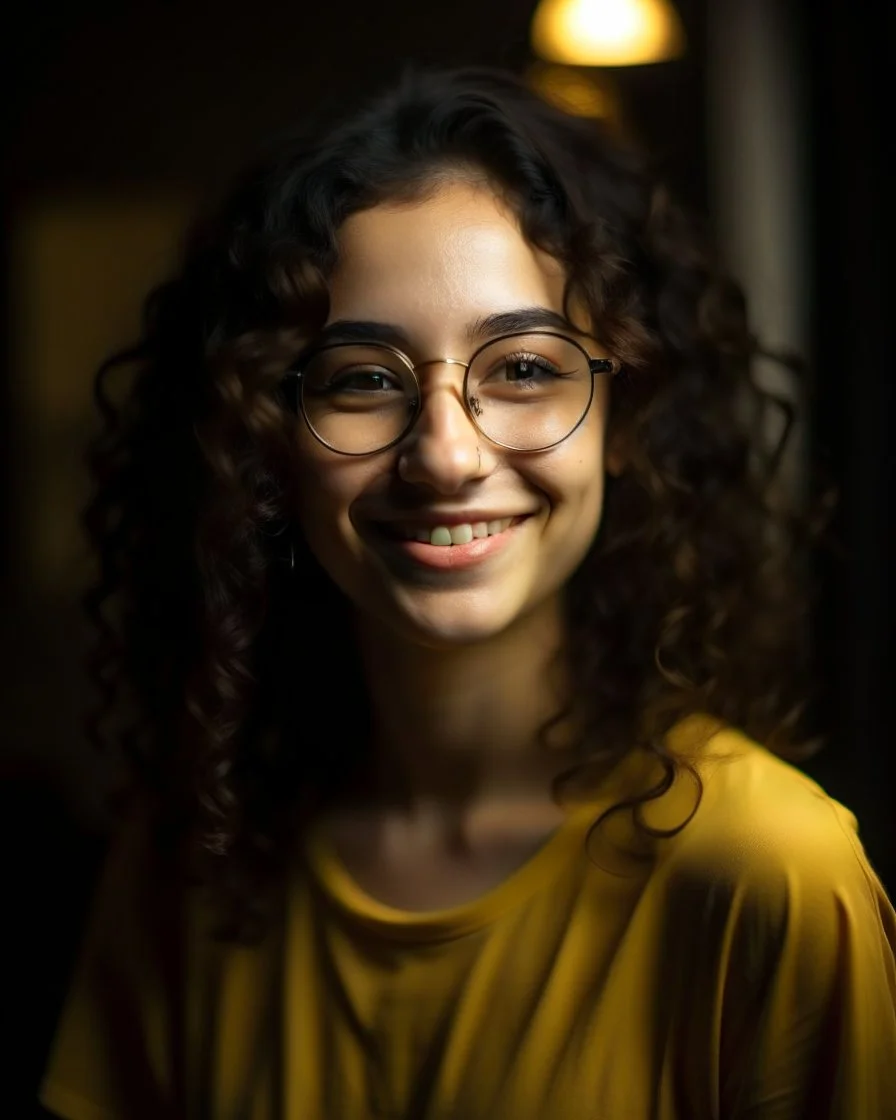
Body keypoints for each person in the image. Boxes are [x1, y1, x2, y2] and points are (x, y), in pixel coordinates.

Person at [39, 64, 896, 1120]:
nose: (445, 455)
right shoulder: (189, 861)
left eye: (524, 370)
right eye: (361, 379)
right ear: (263, 443)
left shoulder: (765, 877)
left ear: (622, 420)